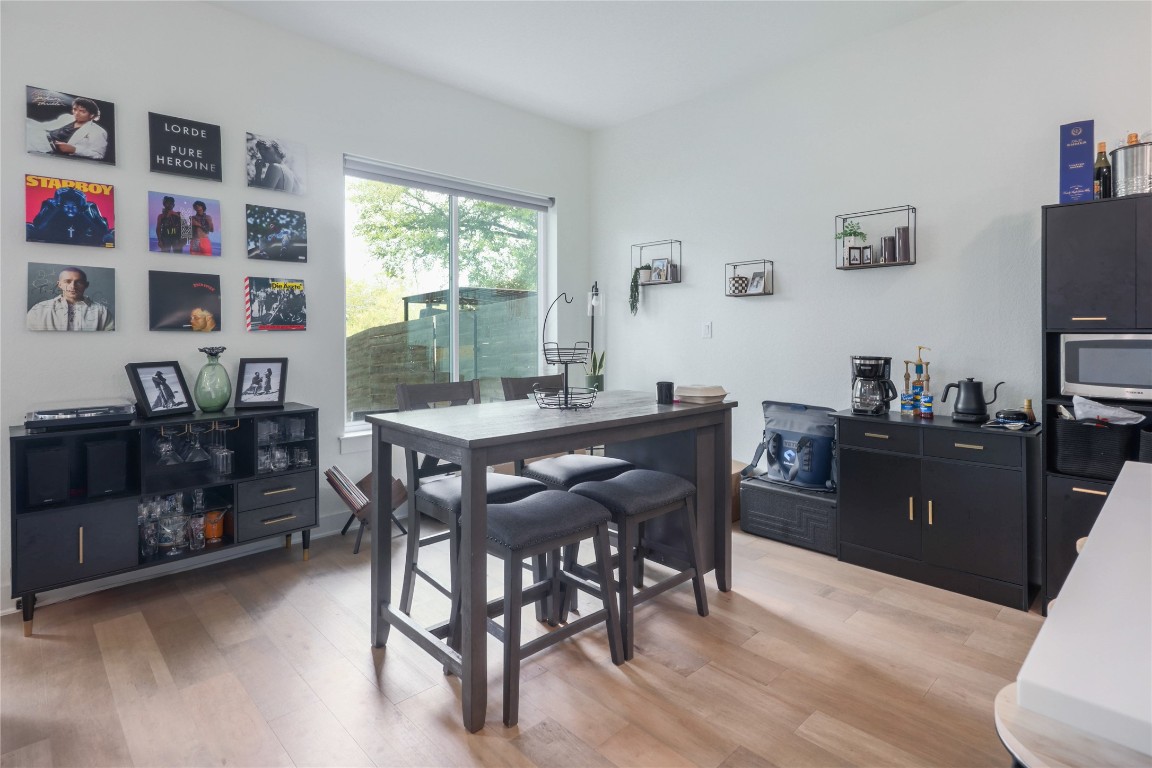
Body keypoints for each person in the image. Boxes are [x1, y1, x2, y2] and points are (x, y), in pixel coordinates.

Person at [26, 266, 114, 331]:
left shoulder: (102, 311)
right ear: (59, 284)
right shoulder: (38, 310)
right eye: (67, 281)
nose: (73, 286)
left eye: (78, 282)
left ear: (86, 285)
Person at [27, 187, 114, 246]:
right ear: (61, 206)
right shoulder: (51, 208)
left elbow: (103, 230)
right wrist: (54, 211)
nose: (70, 210)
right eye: (66, 206)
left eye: (74, 207)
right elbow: (38, 227)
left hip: (86, 247)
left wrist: (86, 214)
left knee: (112, 235)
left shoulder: (88, 210)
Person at [30, 97, 108, 160]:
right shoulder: (67, 117)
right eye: (75, 109)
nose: (76, 113)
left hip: (49, 150)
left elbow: (98, 155)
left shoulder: (98, 131)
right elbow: (45, 126)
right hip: (40, 138)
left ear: (92, 115)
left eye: (82, 111)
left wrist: (74, 149)